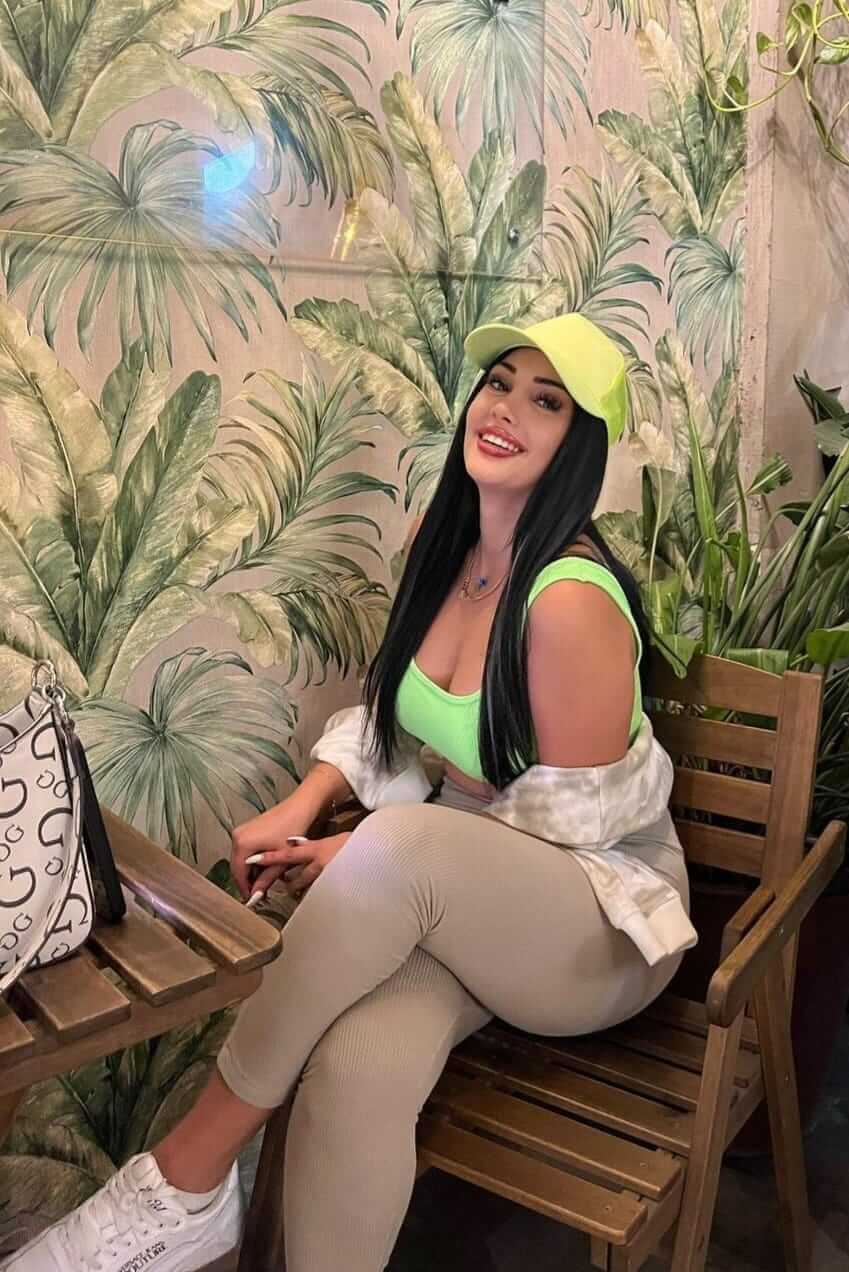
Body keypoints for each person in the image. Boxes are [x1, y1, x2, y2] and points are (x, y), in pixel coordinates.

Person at [5, 314, 697, 1272]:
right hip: (460, 894)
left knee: (394, 850)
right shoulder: (439, 549)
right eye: (499, 383)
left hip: (594, 921)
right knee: (355, 1068)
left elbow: (571, 825)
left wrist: (364, 850)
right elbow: (399, 723)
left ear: (579, 446)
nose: (505, 410)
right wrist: (306, 805)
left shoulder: (570, 599)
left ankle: (182, 1178)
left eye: (546, 402)